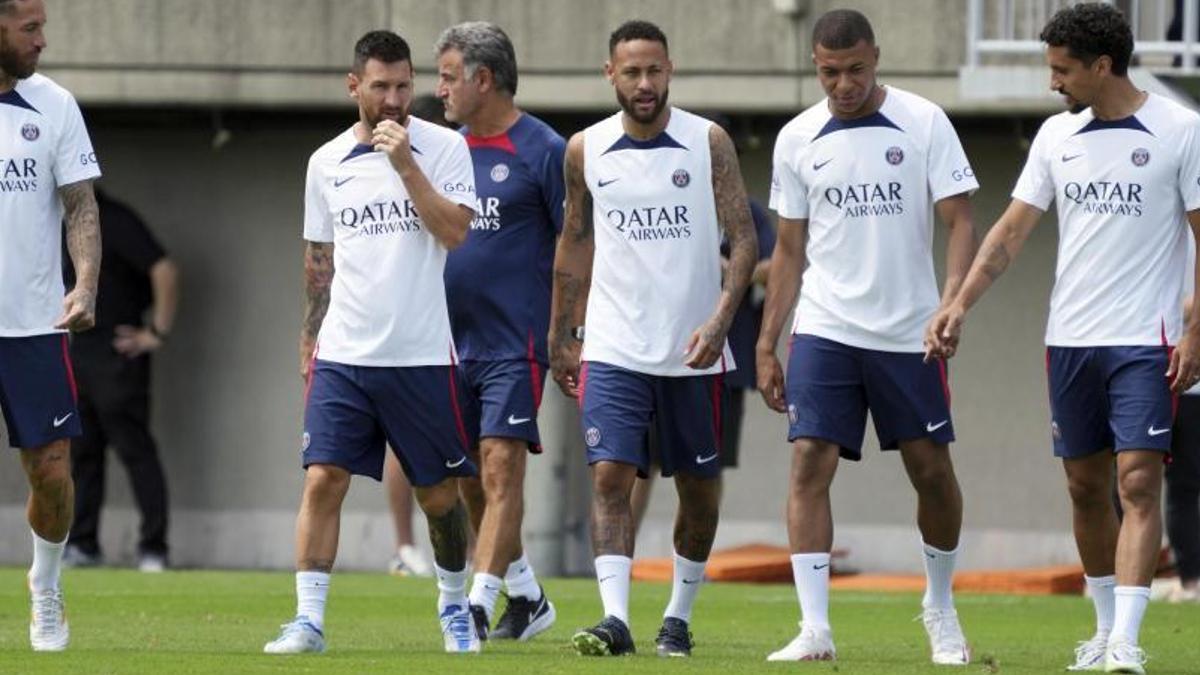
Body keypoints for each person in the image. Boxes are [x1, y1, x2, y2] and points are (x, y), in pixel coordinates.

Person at [927, 4, 1200, 672]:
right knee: (1084, 487)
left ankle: (1129, 642)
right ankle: (1104, 631)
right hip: (1070, 338)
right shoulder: (1055, 137)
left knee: (1137, 482)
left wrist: (1196, 328)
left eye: (1062, 69)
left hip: (1147, 338)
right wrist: (959, 302)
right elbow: (1009, 234)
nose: (1053, 82)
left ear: (1102, 66)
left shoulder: (1183, 131)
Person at [757, 9, 977, 664]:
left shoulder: (924, 121)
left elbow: (961, 220)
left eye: (855, 69)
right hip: (825, 327)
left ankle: (939, 605)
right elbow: (789, 250)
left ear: (875, 57)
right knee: (808, 460)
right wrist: (768, 341)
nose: (843, 83)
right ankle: (815, 627)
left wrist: (952, 302)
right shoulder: (797, 137)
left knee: (930, 469)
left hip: (911, 329)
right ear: (816, 66)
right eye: (829, 72)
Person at [263, 30, 481, 655]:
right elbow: (319, 259)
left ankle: (453, 604)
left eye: (404, 86)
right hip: (344, 355)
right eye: (380, 87)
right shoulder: (324, 161)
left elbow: (456, 234)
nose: (393, 99)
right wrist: (309, 337)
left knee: (440, 495)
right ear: (354, 86)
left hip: (418, 356)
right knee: (324, 477)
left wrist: (405, 163)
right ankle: (307, 620)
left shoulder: (442, 148)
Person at [549, 20, 757, 658]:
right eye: (631, 72)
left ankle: (678, 616)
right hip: (613, 344)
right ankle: (614, 618)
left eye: (654, 70)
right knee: (611, 473)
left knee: (697, 489)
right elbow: (576, 240)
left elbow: (744, 239)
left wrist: (722, 317)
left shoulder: (708, 141)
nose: (644, 83)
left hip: (693, 350)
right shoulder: (585, 149)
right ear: (610, 75)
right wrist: (563, 333)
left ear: (670, 70)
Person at [436, 21, 563, 642]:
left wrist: (567, 332)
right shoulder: (441, 150)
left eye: (447, 77)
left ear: (483, 80)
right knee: (467, 481)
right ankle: (527, 595)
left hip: (516, 343)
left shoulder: (545, 151)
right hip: (448, 343)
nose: (439, 91)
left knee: (500, 469)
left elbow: (578, 249)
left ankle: (478, 609)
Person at [0, 0, 102, 652]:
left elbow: (80, 205)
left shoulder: (55, 104)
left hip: (33, 325)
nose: (43, 39)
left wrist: (85, 282)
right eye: (29, 27)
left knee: (53, 472)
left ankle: (46, 585)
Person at [630, 196, 775, 530]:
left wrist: (734, 269)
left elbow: (774, 266)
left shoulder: (747, 212)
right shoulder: (667, 196)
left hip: (726, 357)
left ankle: (696, 560)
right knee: (639, 462)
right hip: (660, 352)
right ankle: (625, 555)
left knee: (708, 466)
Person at [62, 188, 178, 573]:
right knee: (82, 452)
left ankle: (153, 548)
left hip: (117, 350)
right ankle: (82, 544)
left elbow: (163, 269)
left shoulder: (112, 218)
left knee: (135, 449)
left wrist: (156, 333)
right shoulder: (58, 222)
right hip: (78, 351)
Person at [381, 92, 448, 580]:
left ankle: (491, 569)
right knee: (400, 446)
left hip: (461, 324)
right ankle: (404, 546)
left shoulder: (454, 168)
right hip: (407, 327)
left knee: (473, 453)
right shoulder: (386, 171)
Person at [1165, 293, 1200, 604]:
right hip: (1145, 375)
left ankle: (1191, 580)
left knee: (1185, 486)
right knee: (1126, 479)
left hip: (1193, 386)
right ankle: (1115, 578)